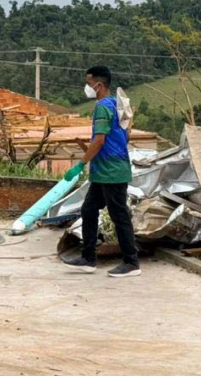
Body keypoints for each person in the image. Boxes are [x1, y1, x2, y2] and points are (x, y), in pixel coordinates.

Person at [62, 66, 140, 277]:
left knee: (119, 216)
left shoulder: (102, 108)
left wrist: (80, 164)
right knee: (88, 209)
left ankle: (131, 262)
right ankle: (88, 258)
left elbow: (99, 140)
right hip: (104, 171)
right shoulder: (117, 105)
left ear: (99, 84)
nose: (87, 87)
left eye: (89, 83)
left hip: (112, 172)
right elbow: (127, 134)